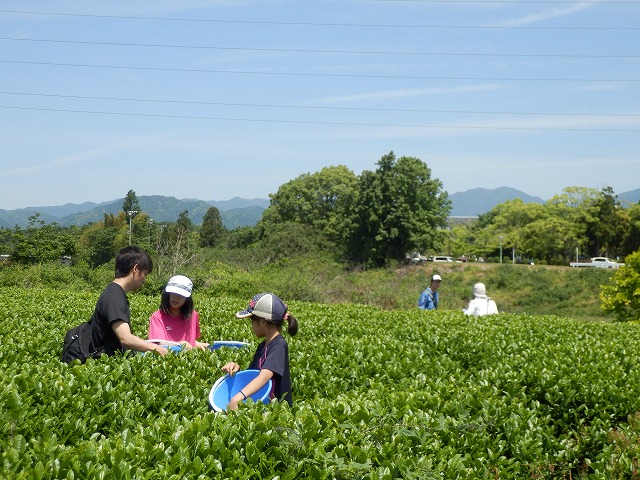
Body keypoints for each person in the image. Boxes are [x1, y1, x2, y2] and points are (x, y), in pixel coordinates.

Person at [221, 293, 298, 410]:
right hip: (261, 409)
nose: (251, 325)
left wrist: (237, 398)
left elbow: (264, 377)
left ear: (263, 322)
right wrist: (237, 369)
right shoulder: (263, 346)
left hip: (274, 415)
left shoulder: (278, 346)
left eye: (252, 320)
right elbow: (253, 375)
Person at [90, 246, 168, 357]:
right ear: (135, 269)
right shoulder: (113, 296)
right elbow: (125, 338)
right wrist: (158, 349)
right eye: (145, 274)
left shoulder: (115, 293)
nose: (144, 280)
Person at [148, 275, 209, 350]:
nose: (176, 297)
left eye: (181, 294)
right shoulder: (157, 317)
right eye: (174, 293)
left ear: (187, 298)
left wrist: (199, 344)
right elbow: (159, 344)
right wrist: (180, 345)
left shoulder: (193, 315)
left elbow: (191, 340)